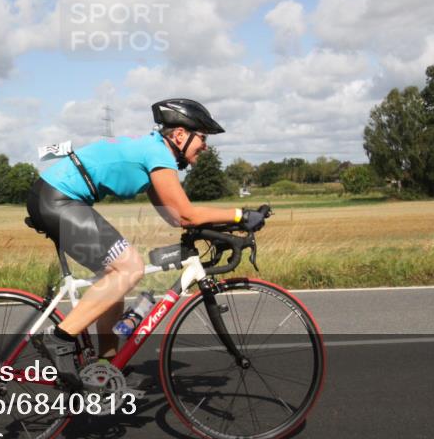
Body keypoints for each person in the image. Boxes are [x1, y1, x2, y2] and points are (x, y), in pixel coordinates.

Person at [26, 98, 268, 388]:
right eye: (202, 138)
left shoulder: (153, 153)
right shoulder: (158, 154)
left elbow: (175, 217)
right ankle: (60, 338)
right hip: (59, 199)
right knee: (129, 267)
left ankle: (105, 368)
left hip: (54, 198)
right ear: (180, 134)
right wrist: (241, 215)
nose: (205, 146)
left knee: (114, 278)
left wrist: (225, 227)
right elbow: (187, 214)